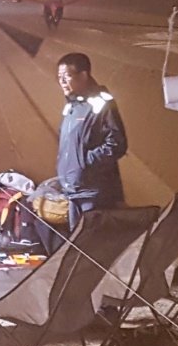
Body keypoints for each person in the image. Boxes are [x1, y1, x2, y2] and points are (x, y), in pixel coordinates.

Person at [33, 52, 129, 254]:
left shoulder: (101, 103)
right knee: (79, 249)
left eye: (67, 76)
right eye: (59, 77)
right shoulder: (71, 107)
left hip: (93, 193)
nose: (62, 82)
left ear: (83, 75)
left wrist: (85, 162)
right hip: (73, 191)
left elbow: (117, 143)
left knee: (95, 248)